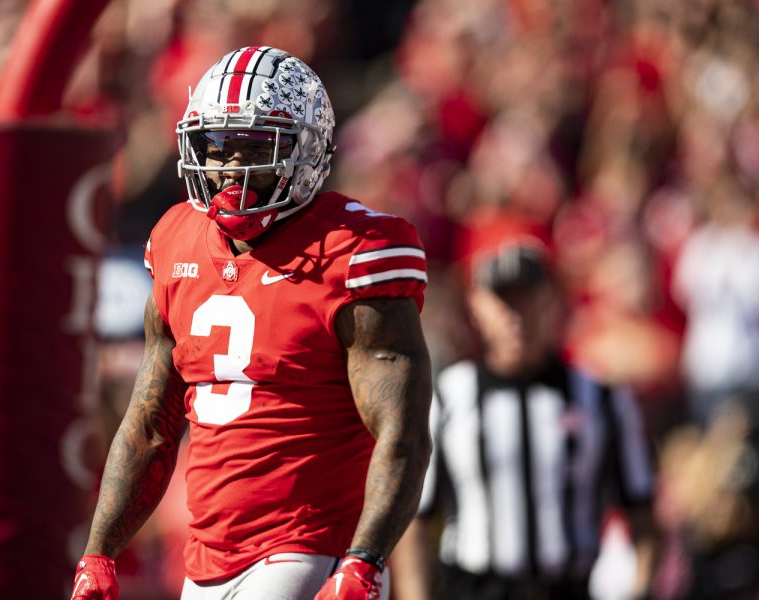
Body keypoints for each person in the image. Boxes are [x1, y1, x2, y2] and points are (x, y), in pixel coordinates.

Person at [71, 46, 433, 600]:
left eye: (257, 146)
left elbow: (401, 432)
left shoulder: (354, 252)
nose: (233, 166)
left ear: (307, 150)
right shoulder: (177, 241)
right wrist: (99, 552)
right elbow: (150, 422)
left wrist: (364, 560)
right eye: (218, 146)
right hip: (206, 554)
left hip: (310, 548)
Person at [391, 229, 656, 600]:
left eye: (528, 299)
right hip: (478, 589)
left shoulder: (602, 397)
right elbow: (417, 519)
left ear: (552, 302)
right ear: (477, 306)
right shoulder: (449, 396)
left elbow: (642, 509)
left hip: (568, 587)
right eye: (504, 300)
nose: (517, 316)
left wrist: (640, 588)